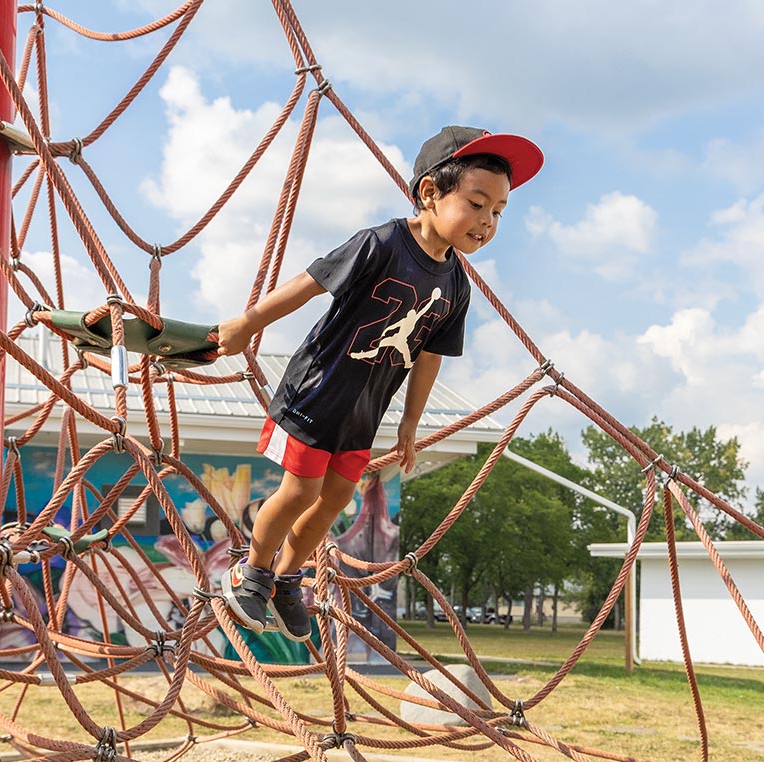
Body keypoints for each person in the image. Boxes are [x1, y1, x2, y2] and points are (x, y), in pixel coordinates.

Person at [216, 126, 544, 640]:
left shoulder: (456, 284)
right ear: (431, 193)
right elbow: (310, 283)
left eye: (498, 211)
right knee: (300, 491)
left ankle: (285, 580)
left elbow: (431, 355)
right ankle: (251, 570)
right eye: (477, 203)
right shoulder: (383, 243)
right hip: (315, 391)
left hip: (363, 411)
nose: (486, 221)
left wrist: (411, 421)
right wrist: (248, 323)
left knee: (336, 498)